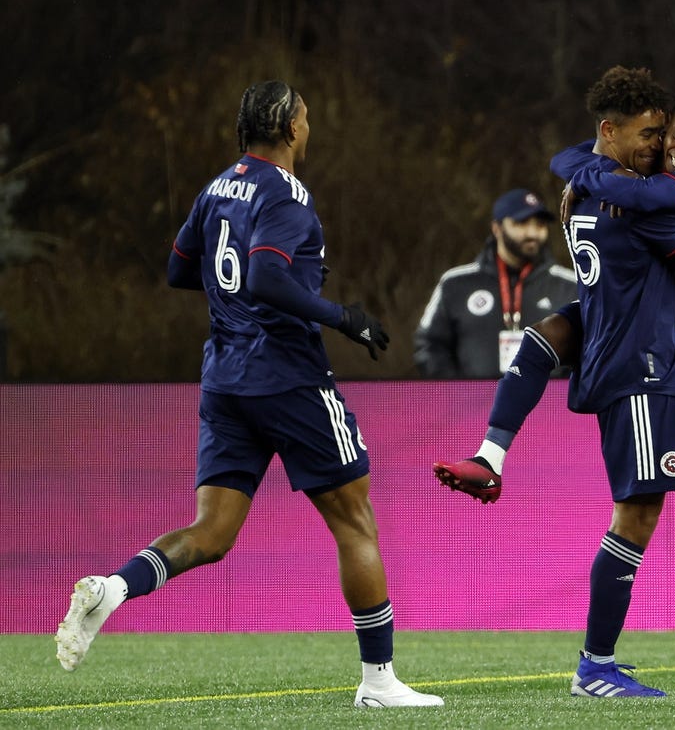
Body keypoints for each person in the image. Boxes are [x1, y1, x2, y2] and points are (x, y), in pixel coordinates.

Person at [53, 80, 442, 710]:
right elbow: (264, 274)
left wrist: (228, 294)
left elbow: (181, 268)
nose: (309, 129)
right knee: (356, 521)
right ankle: (379, 683)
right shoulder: (286, 191)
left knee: (212, 533)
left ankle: (113, 590)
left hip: (226, 378)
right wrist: (342, 316)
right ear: (289, 128)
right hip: (287, 376)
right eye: (307, 119)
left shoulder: (216, 186)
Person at [435, 82, 675, 588]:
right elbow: (568, 157)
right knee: (542, 338)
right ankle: (489, 456)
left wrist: (594, 181)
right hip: (637, 310)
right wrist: (591, 174)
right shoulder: (637, 169)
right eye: (669, 137)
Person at [413, 188, 577, 379]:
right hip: (471, 405)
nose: (532, 233)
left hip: (549, 405)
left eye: (540, 225)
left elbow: (589, 349)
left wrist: (561, 393)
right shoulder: (456, 283)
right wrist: (454, 394)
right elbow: (429, 345)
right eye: (521, 223)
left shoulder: (569, 286)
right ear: (497, 228)